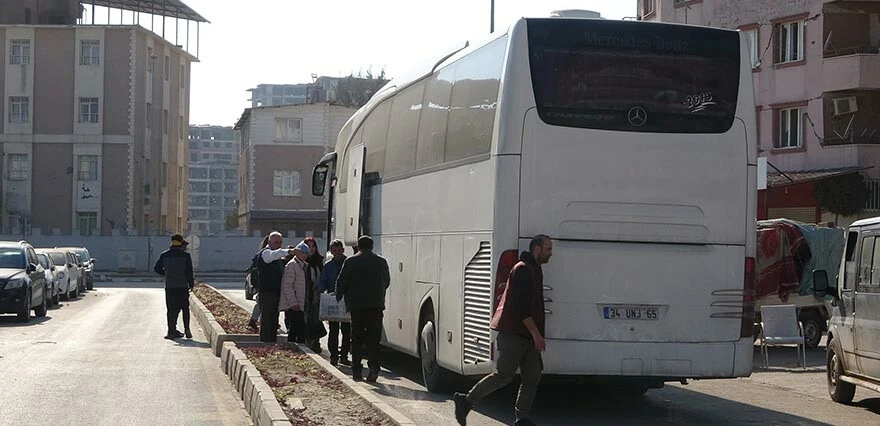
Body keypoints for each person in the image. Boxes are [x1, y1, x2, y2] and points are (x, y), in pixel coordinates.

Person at [453, 235, 554, 426]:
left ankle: (521, 418)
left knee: (532, 376)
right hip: (514, 335)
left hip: (527, 336)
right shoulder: (523, 270)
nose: (551, 254)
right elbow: (521, 308)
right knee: (503, 375)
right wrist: (536, 334)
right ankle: (466, 401)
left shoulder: (534, 269)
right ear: (537, 249)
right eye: (548, 249)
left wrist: (535, 335)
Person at [335, 235, 390, 382]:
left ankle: (357, 371)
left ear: (358, 246)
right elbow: (387, 281)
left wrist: (338, 296)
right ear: (372, 247)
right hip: (376, 306)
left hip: (357, 307)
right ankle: (373, 368)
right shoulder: (381, 261)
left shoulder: (351, 261)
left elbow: (342, 281)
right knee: (374, 340)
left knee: (357, 339)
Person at [256, 231, 296, 343]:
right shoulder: (265, 253)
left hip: (275, 294)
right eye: (276, 242)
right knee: (267, 321)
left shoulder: (278, 258)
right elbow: (273, 255)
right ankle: (265, 344)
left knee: (273, 322)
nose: (278, 245)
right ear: (269, 242)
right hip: (267, 293)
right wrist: (289, 251)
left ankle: (270, 343)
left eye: (280, 242)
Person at [154, 233, 195, 340]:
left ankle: (171, 332)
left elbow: (157, 269)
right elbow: (189, 272)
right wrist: (191, 284)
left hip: (170, 286)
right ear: (180, 242)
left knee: (171, 309)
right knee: (185, 308)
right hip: (182, 286)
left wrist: (167, 273)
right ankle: (187, 329)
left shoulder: (164, 255)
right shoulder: (186, 256)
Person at [318, 239, 351, 366]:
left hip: (347, 300)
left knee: (347, 331)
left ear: (343, 250)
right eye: (334, 250)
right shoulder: (327, 266)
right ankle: (333, 356)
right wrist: (320, 293)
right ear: (331, 251)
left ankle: (344, 356)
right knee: (333, 330)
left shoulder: (348, 263)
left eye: (339, 250)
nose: (337, 252)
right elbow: (323, 281)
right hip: (333, 300)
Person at [279, 242, 310, 343]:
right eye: (302, 252)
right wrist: (293, 302)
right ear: (297, 253)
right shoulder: (292, 265)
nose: (304, 255)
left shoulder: (302, 265)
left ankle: (296, 348)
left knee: (299, 329)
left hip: (300, 302)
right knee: (295, 329)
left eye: (306, 253)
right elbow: (287, 285)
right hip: (294, 304)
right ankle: (293, 348)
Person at [303, 237, 325, 353]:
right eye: (308, 246)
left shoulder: (319, 261)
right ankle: (307, 343)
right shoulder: (302, 262)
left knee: (316, 320)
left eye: (313, 246)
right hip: (305, 296)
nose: (311, 249)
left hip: (317, 296)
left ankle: (315, 342)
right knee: (306, 320)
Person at [247, 235, 271, 332]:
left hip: (262, 285)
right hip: (264, 285)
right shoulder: (265, 255)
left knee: (261, 304)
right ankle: (254, 322)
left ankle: (257, 322)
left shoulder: (260, 254)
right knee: (261, 304)